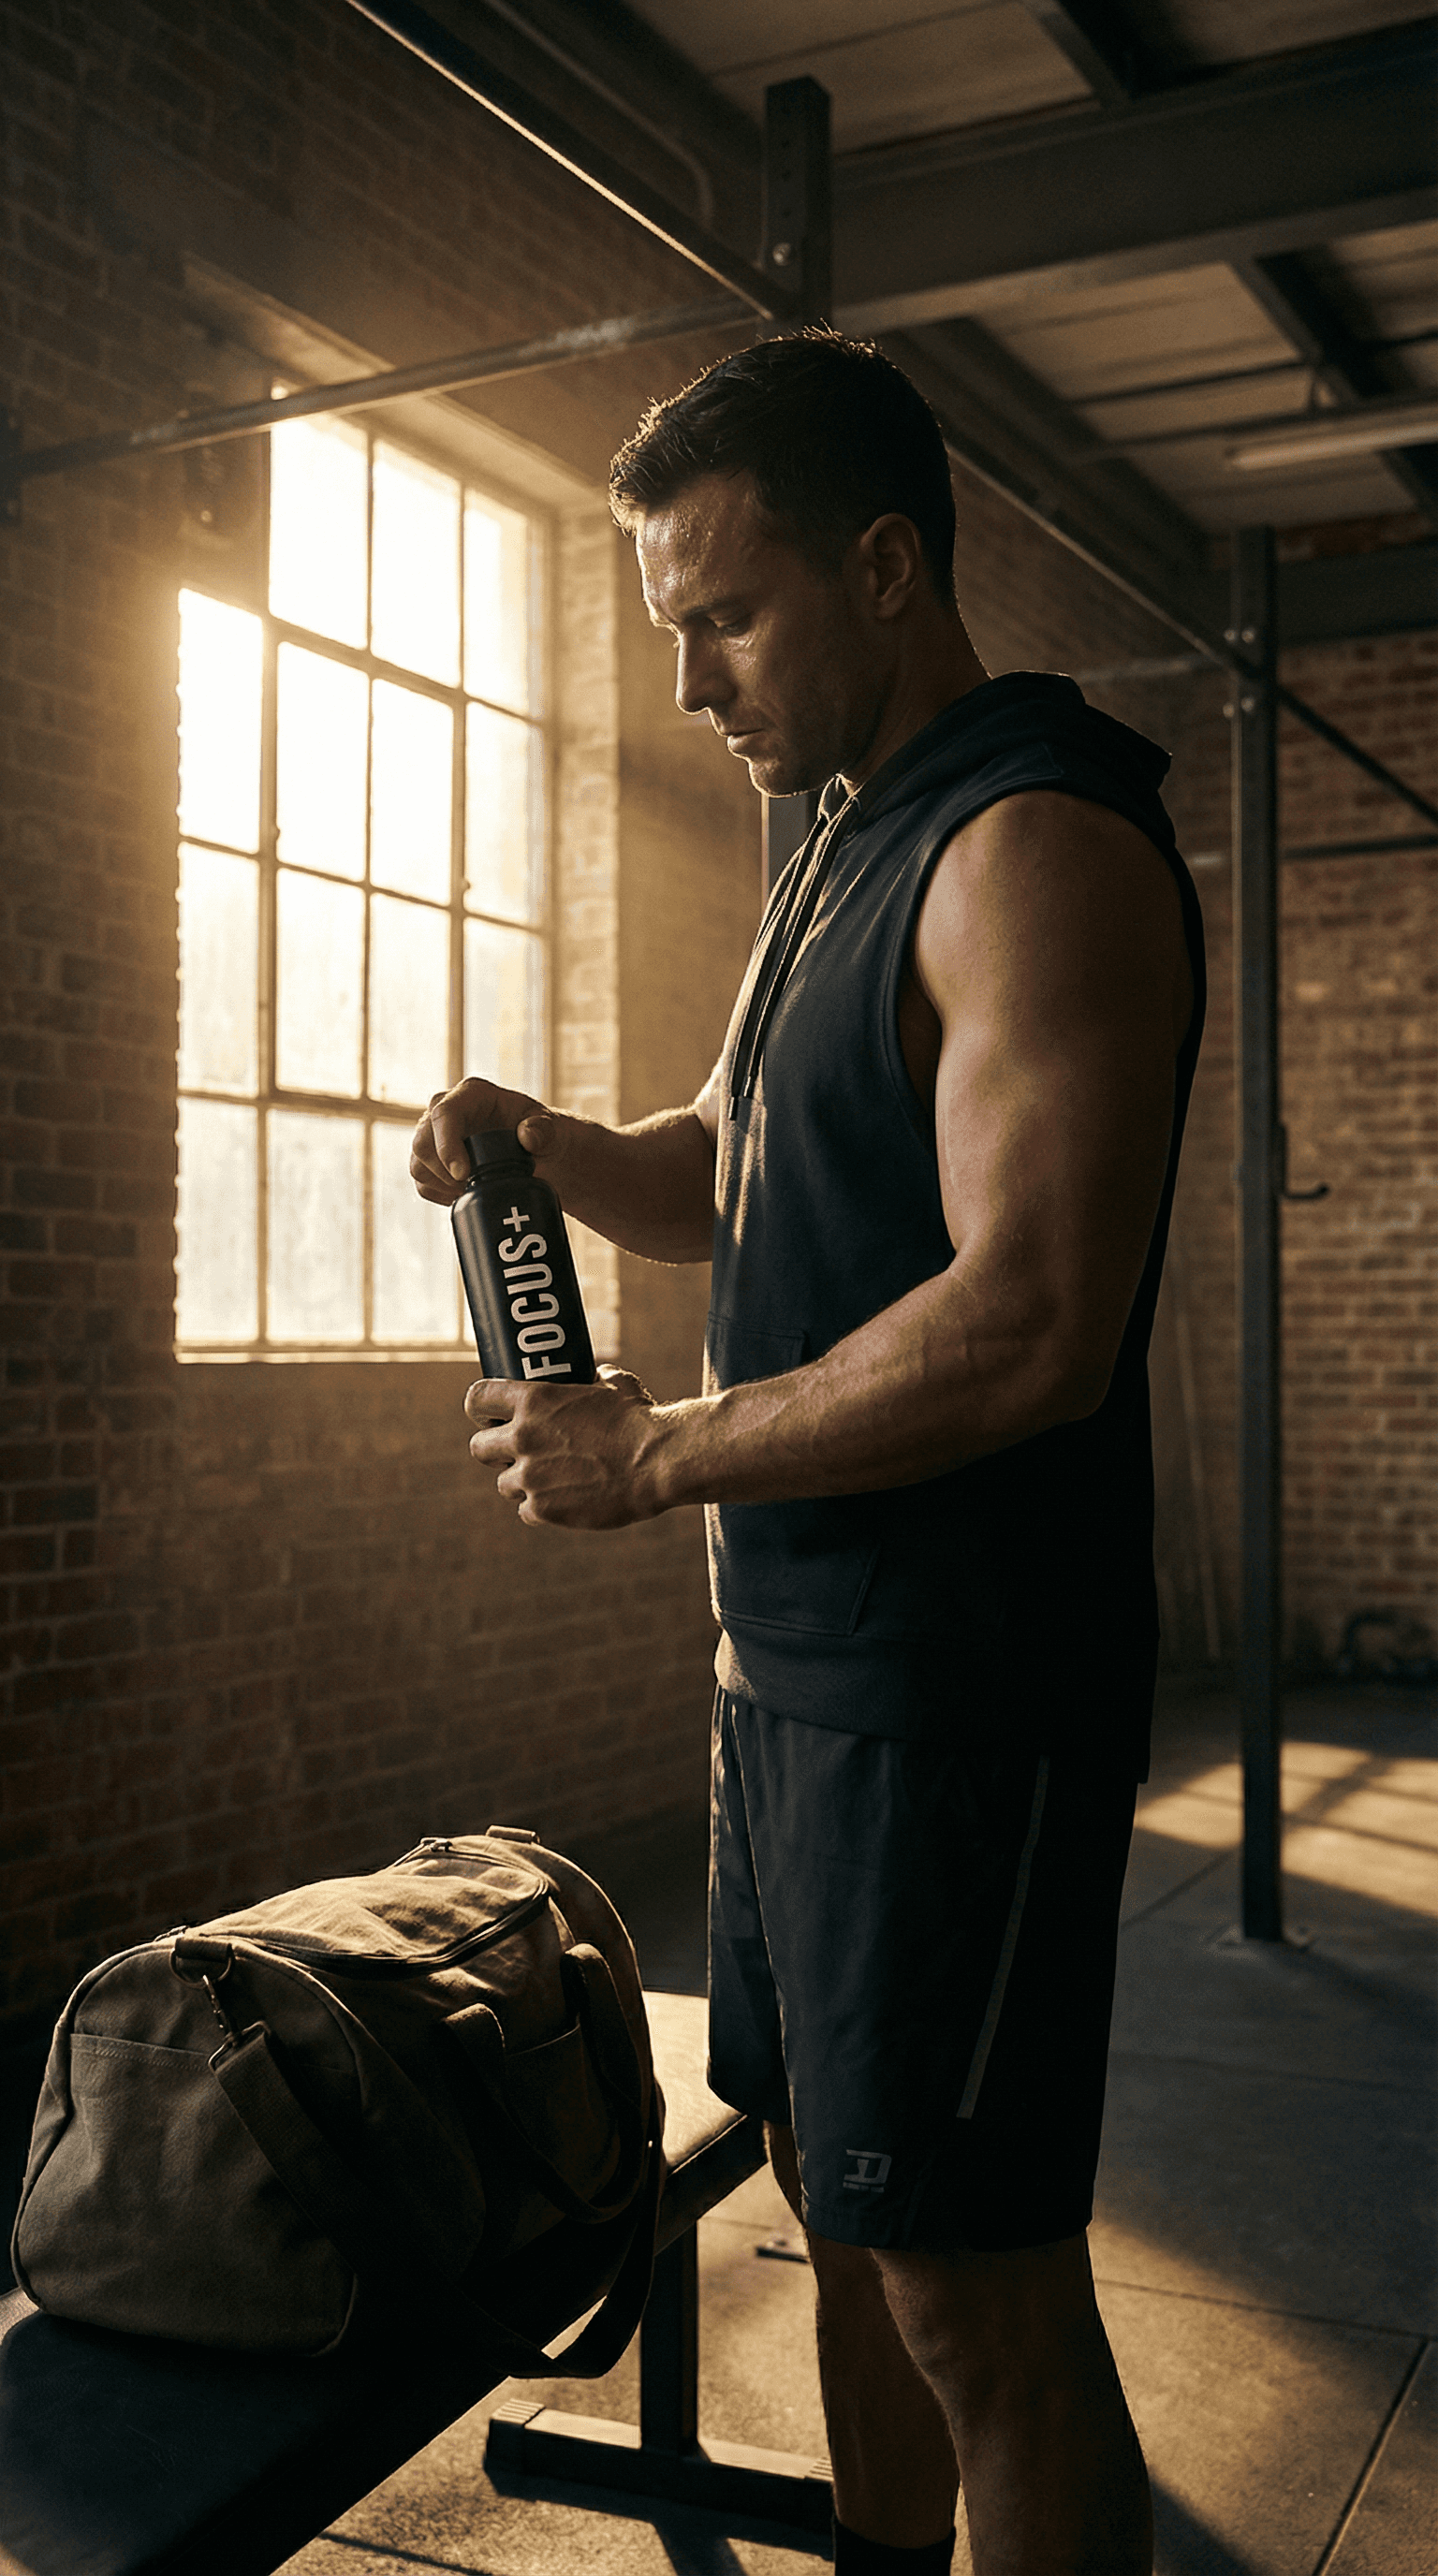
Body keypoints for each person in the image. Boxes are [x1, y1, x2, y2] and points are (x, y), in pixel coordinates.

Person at [411, 330, 1205, 2576]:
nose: (692, 687)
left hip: (959, 1701)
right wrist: (549, 1144)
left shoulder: (1033, 843)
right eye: (669, 631)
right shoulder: (838, 851)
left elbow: (1033, 1315)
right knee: (839, 2228)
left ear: (883, 566)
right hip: (791, 1684)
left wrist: (657, 1450)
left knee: (975, 2292)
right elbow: (738, 1160)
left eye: (725, 617)